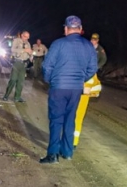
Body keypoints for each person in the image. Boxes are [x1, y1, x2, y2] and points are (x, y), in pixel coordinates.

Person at [39, 15, 98, 164]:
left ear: (66, 28)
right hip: (76, 89)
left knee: (56, 120)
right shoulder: (88, 46)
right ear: (80, 29)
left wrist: (50, 80)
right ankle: (67, 152)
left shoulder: (58, 44)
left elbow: (47, 66)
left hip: (58, 87)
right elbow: (92, 68)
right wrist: (80, 79)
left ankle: (52, 155)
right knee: (70, 119)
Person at [73, 33, 107, 147]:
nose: (93, 41)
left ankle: (73, 142)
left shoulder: (100, 51)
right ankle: (71, 141)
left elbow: (96, 89)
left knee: (76, 118)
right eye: (92, 39)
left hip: (81, 99)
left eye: (95, 40)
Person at [2, 30, 32, 102]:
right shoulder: (16, 41)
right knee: (13, 79)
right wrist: (24, 50)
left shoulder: (28, 43)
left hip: (24, 64)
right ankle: (6, 95)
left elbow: (29, 52)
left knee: (21, 81)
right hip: (17, 62)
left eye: (28, 37)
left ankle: (17, 97)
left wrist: (31, 56)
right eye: (25, 36)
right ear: (22, 35)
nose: (26, 38)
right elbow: (13, 50)